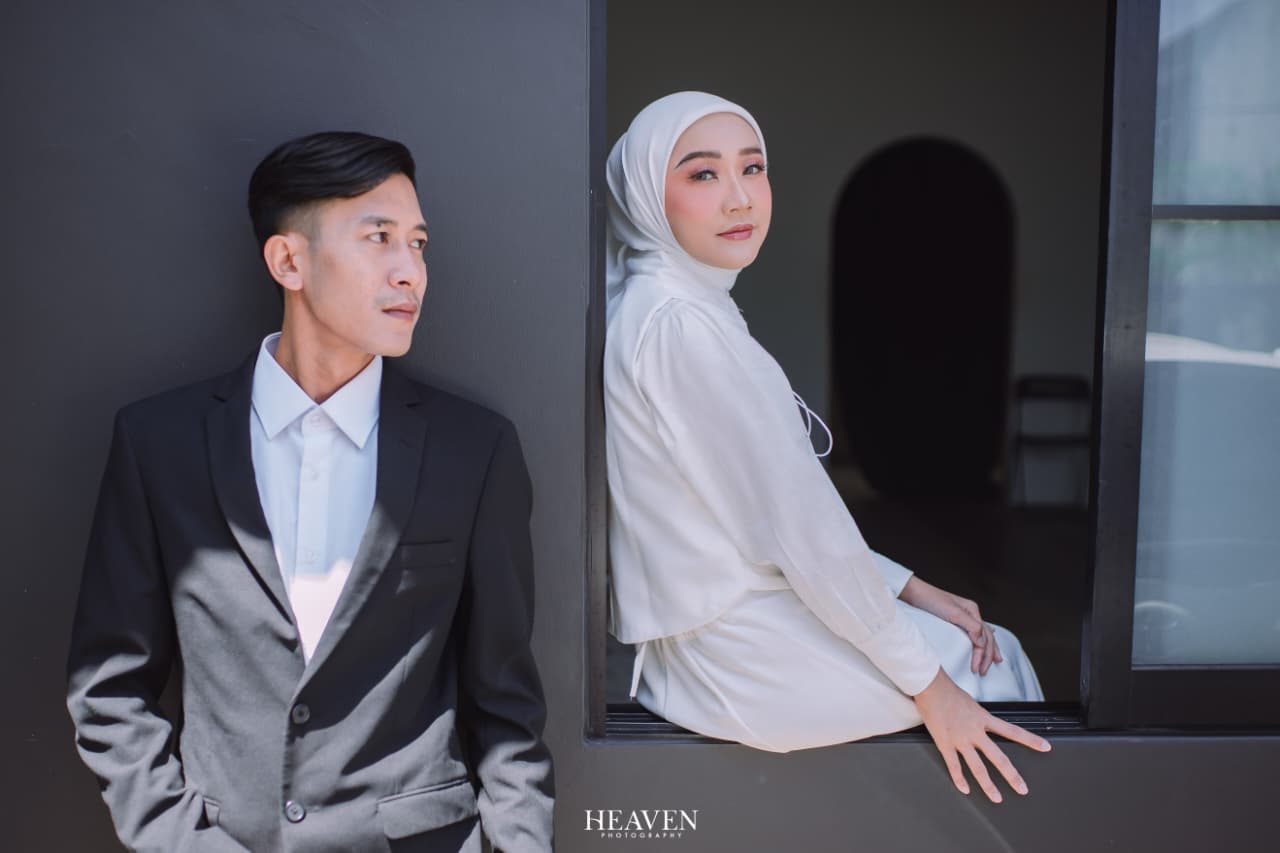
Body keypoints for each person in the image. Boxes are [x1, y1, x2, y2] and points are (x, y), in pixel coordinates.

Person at [66, 131, 554, 852]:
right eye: (379, 238)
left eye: (418, 244)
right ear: (288, 261)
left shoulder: (474, 450)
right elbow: (110, 691)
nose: (411, 272)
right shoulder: (159, 444)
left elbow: (507, 711)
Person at [604, 92, 1050, 804]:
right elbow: (801, 533)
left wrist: (910, 587)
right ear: (646, 195)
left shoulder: (669, 304)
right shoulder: (681, 326)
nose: (739, 196)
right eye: (703, 173)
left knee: (975, 642)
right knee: (989, 664)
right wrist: (932, 688)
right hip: (739, 656)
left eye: (753, 167)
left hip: (712, 642)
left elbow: (771, 519)